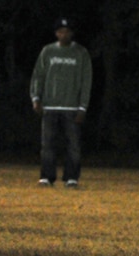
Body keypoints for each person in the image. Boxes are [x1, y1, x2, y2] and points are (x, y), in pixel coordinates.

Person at [30, 17, 92, 188]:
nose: (64, 34)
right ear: (56, 33)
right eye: (61, 31)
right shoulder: (48, 51)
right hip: (49, 106)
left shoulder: (81, 53)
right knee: (48, 145)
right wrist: (36, 98)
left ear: (71, 33)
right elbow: (38, 76)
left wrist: (83, 107)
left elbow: (86, 81)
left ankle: (71, 177)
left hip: (72, 107)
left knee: (73, 145)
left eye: (67, 31)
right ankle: (47, 177)